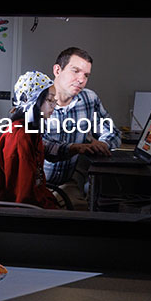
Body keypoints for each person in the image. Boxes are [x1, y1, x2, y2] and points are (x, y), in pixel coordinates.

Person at [41, 47, 121, 207]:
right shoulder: (37, 99)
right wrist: (75, 148)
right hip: (34, 182)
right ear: (57, 70)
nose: (81, 80)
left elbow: (112, 132)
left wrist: (103, 143)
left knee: (86, 212)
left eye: (86, 75)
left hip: (68, 183)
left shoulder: (89, 98)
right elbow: (40, 145)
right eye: (75, 71)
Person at [0, 71, 64, 209]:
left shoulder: (30, 132)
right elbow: (21, 195)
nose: (54, 106)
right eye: (50, 100)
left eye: (55, 101)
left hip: (34, 203)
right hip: (22, 212)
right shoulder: (19, 136)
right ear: (34, 101)